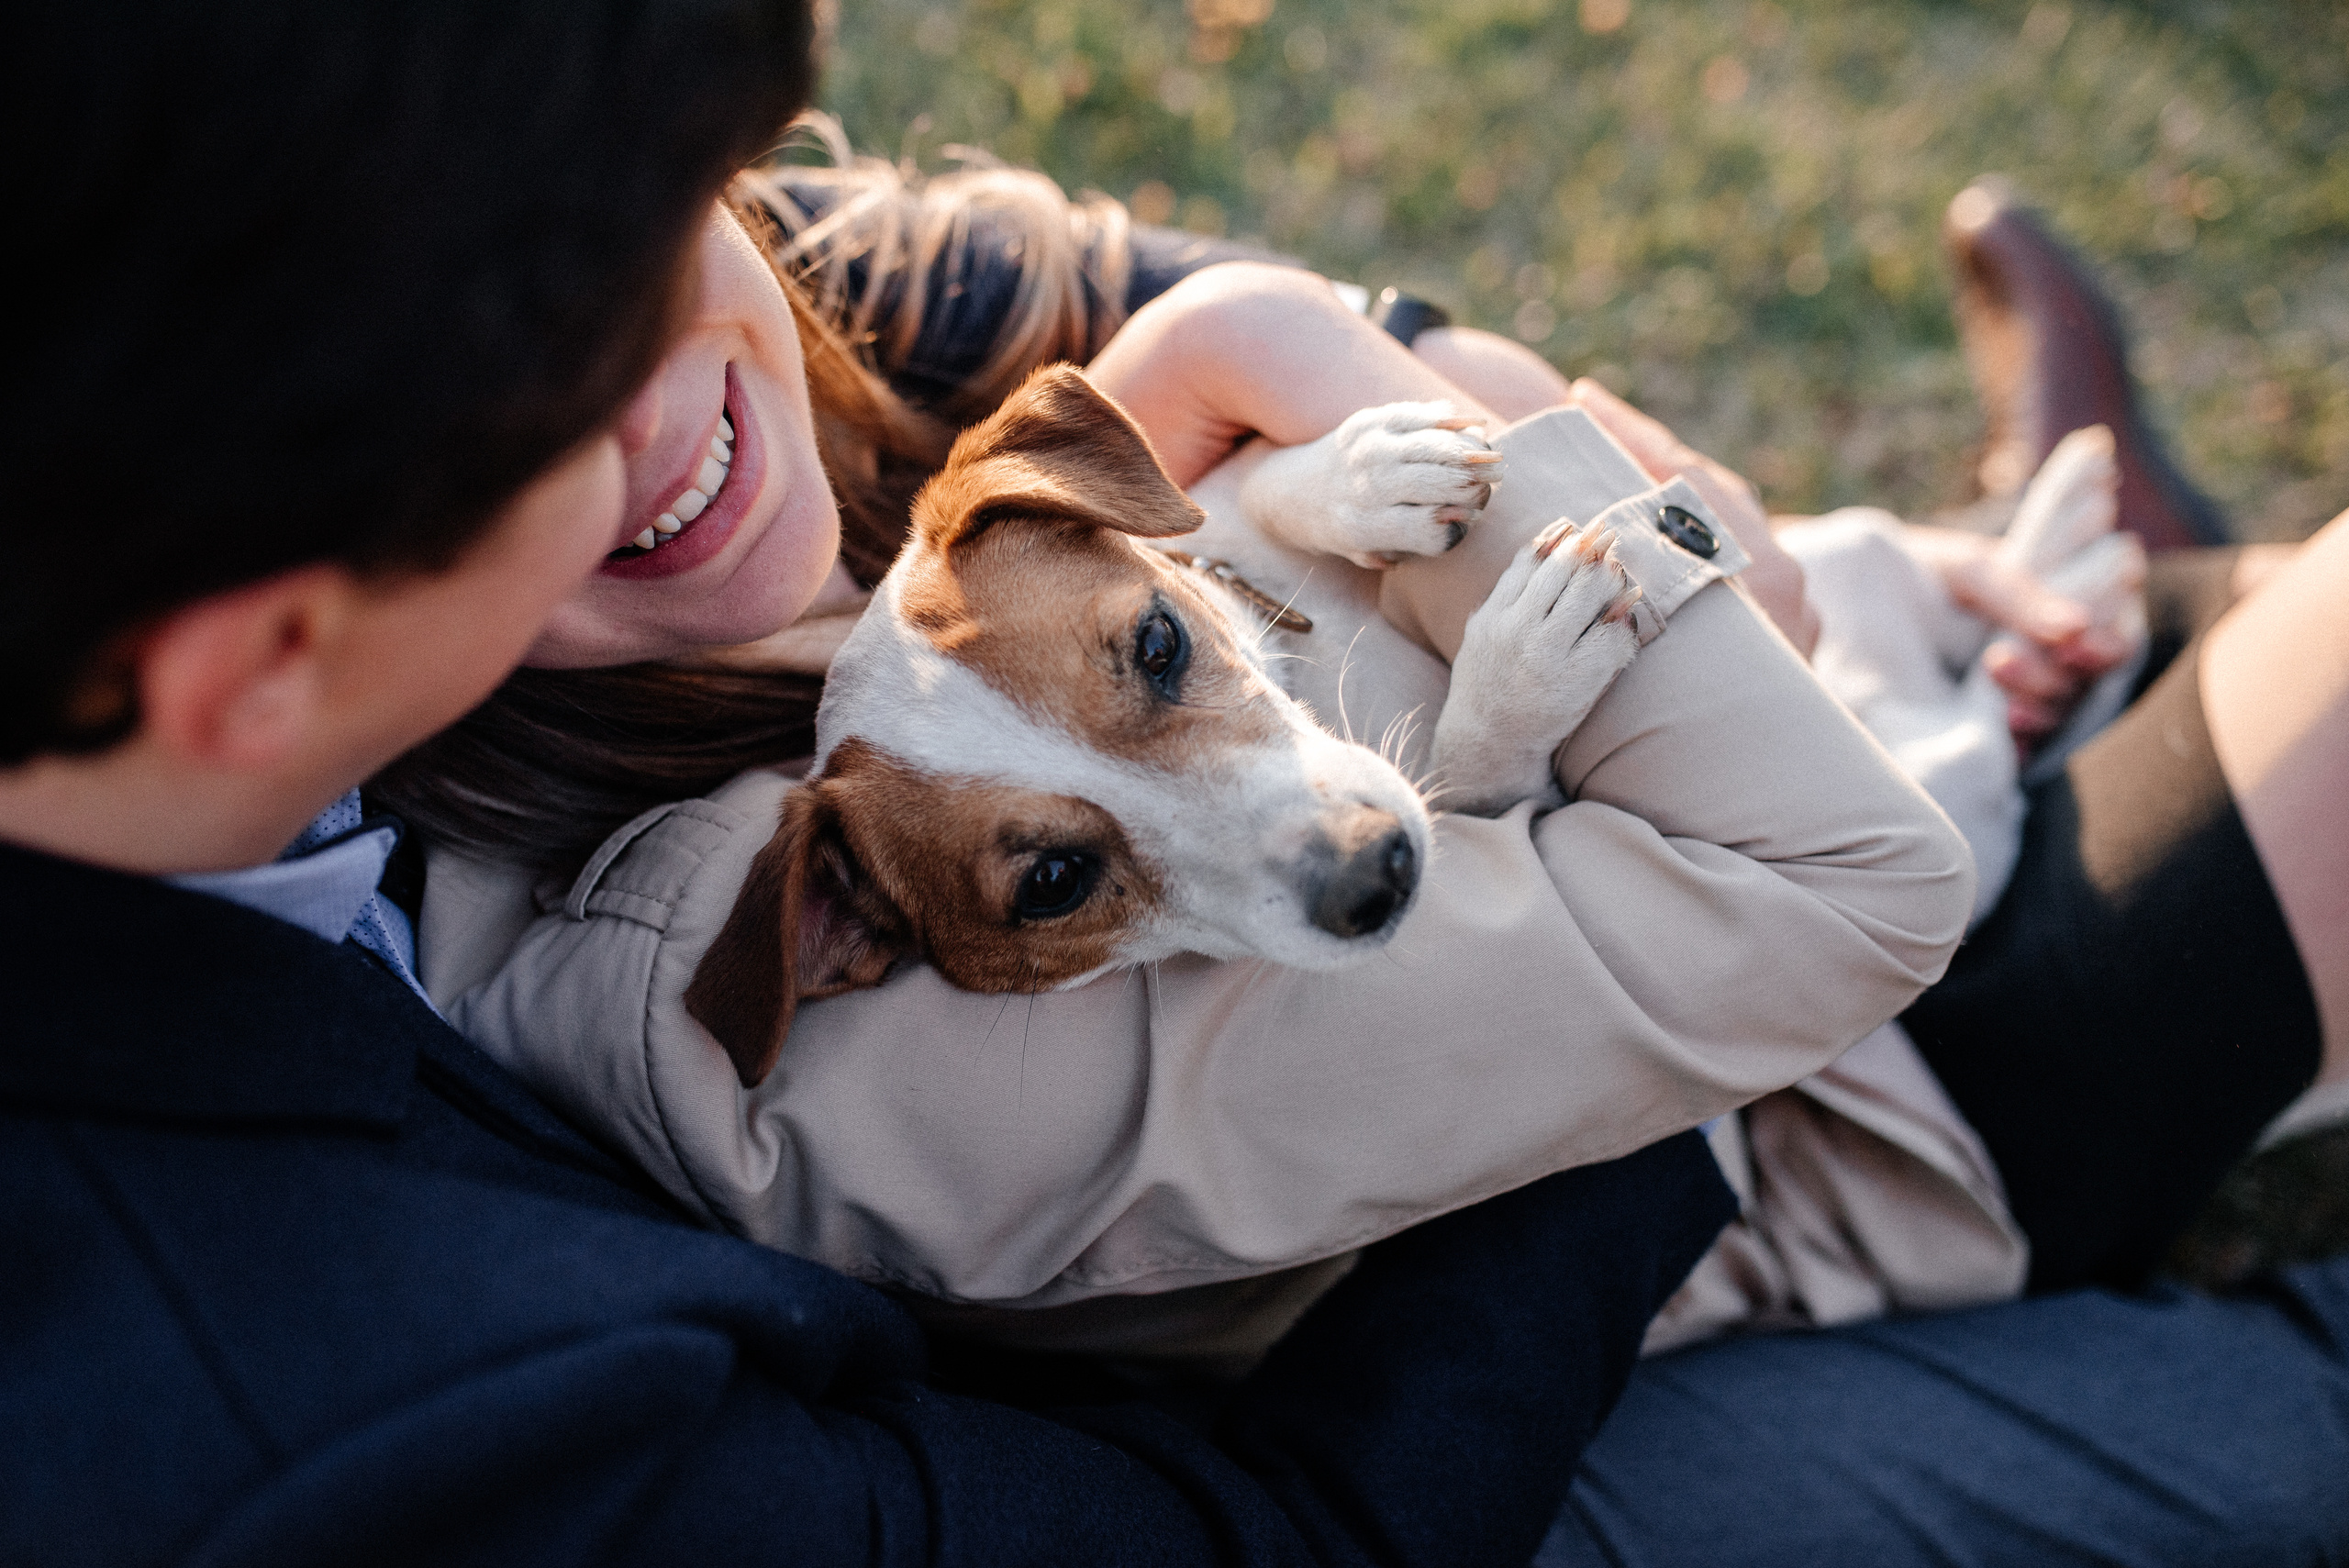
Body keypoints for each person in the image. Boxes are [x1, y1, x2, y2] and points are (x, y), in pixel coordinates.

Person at [0, 5, 1742, 1564]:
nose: (717, 307)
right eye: (592, 328)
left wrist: (1379, 346)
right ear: (265, 662)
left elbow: (898, 270)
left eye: (694, 189)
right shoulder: (317, 1423)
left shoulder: (223, 410)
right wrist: (1686, 1001)